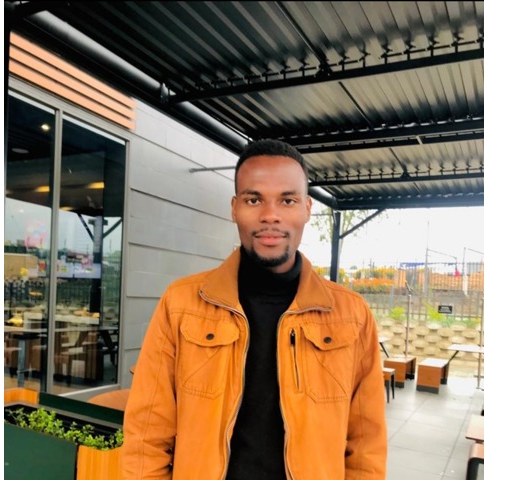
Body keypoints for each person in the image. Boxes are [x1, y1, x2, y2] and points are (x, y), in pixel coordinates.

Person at [121, 139, 387, 479]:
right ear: (234, 208)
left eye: (287, 200)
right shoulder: (181, 303)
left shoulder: (351, 314)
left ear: (307, 208)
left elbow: (366, 446)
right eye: (254, 199)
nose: (270, 215)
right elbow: (147, 434)